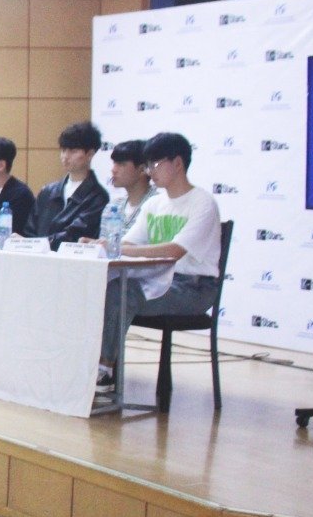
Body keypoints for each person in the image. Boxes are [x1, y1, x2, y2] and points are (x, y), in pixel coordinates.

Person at [93, 133, 223, 390]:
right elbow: (129, 243)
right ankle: (91, 365)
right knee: (101, 287)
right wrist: (106, 245)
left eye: (155, 164)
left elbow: (175, 251)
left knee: (122, 292)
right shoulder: (154, 204)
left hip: (193, 287)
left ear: (178, 163)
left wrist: (121, 249)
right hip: (157, 280)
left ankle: (105, 370)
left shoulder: (202, 202)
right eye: (148, 165)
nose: (150, 171)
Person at [32, 121, 110, 249]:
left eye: (73, 151)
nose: (65, 156)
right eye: (63, 150)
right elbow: (30, 229)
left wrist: (36, 244)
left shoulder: (98, 197)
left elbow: (74, 236)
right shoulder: (48, 191)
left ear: (90, 154)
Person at [109, 139, 156, 231]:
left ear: (142, 169)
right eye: (114, 163)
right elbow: (105, 238)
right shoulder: (113, 207)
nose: (113, 170)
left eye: (121, 164)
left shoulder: (159, 205)